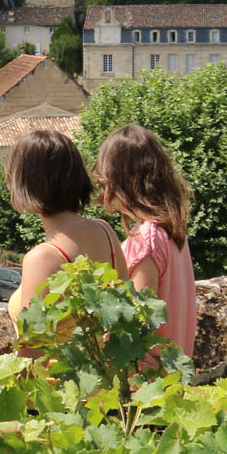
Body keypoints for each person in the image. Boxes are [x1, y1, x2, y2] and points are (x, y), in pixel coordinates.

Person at [3, 129, 124, 331]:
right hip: (103, 362)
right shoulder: (105, 232)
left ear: (25, 183)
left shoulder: (42, 258)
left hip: (53, 363)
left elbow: (32, 347)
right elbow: (123, 316)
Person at [93, 123, 198, 357]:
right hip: (171, 381)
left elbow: (136, 324)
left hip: (144, 385)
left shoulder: (146, 238)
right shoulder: (171, 233)